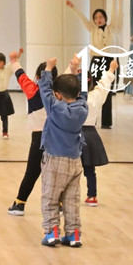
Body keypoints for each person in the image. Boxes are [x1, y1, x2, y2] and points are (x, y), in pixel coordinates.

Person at [39, 57, 88, 247]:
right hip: (75, 160)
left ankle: (52, 232)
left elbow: (44, 90)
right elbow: (83, 93)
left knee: (50, 197)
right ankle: (74, 234)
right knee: (71, 199)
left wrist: (48, 68)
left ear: (58, 95)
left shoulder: (55, 108)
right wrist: (76, 72)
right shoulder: (82, 108)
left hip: (55, 159)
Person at [6, 49, 59, 216]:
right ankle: (60, 205)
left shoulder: (33, 90)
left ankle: (19, 204)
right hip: (57, 136)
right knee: (56, 171)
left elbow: (20, 75)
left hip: (39, 137)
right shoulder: (59, 94)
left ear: (37, 76)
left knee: (32, 171)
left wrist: (14, 60)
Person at [65, 0, 123, 128]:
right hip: (96, 61)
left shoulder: (113, 28)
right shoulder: (92, 29)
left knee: (107, 91)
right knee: (93, 90)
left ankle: (106, 123)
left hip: (110, 61)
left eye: (101, 17)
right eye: (96, 18)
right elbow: (82, 18)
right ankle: (91, 120)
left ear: (105, 18)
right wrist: (73, 7)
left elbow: (118, 15)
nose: (98, 19)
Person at [73, 58, 117, 207]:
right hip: (90, 134)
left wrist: (72, 67)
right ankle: (92, 196)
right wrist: (111, 69)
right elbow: (105, 83)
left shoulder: (70, 99)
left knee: (70, 169)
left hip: (73, 134)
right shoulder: (96, 95)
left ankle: (67, 198)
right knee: (90, 168)